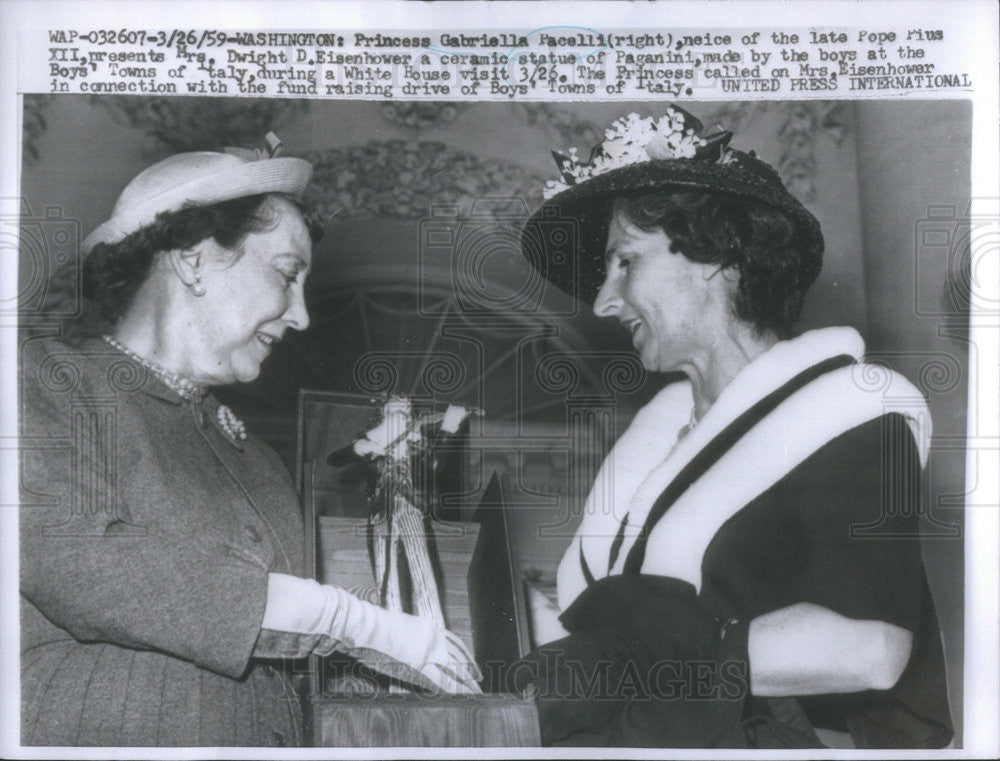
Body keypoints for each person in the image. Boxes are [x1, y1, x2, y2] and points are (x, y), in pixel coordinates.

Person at [19, 136, 480, 747]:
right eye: (287, 276)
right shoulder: (47, 379)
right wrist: (352, 622)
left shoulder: (256, 459)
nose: (302, 316)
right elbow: (80, 561)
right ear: (193, 259)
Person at [518, 107, 953, 749]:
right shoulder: (663, 430)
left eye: (624, 262)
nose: (604, 301)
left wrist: (623, 664)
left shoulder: (855, 410)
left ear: (714, 257)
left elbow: (872, 650)